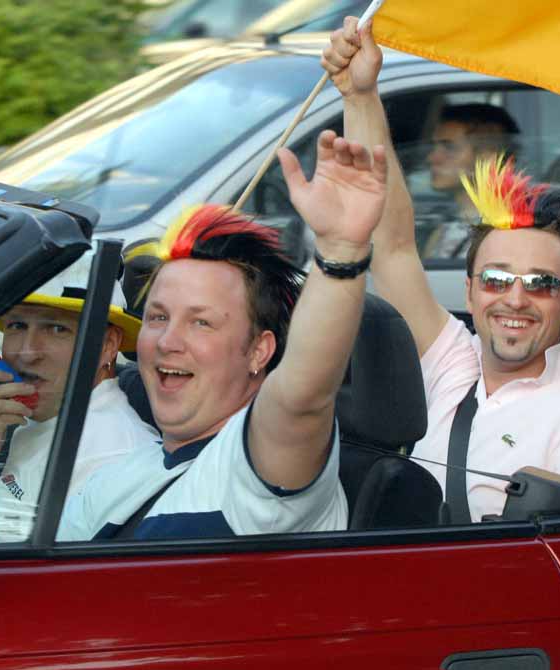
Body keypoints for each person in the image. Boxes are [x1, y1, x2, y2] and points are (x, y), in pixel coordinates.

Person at [322, 18, 560, 521]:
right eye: (496, 279)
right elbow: (394, 245)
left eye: (540, 284)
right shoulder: (456, 365)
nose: (514, 298)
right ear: (470, 294)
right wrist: (360, 96)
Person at [57, 129, 387, 541]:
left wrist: (341, 252)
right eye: (158, 317)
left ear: (259, 352)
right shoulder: (116, 479)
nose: (167, 342)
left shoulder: (261, 476)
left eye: (201, 322)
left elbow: (303, 395)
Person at [0, 260, 159, 542]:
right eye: (17, 325)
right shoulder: (5, 413)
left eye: (56, 329)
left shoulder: (114, 461)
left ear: (107, 346)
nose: (27, 352)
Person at [422, 104, 521, 259]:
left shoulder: (504, 230)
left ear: (487, 158)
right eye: (434, 147)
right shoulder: (448, 223)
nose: (432, 158)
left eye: (449, 148)